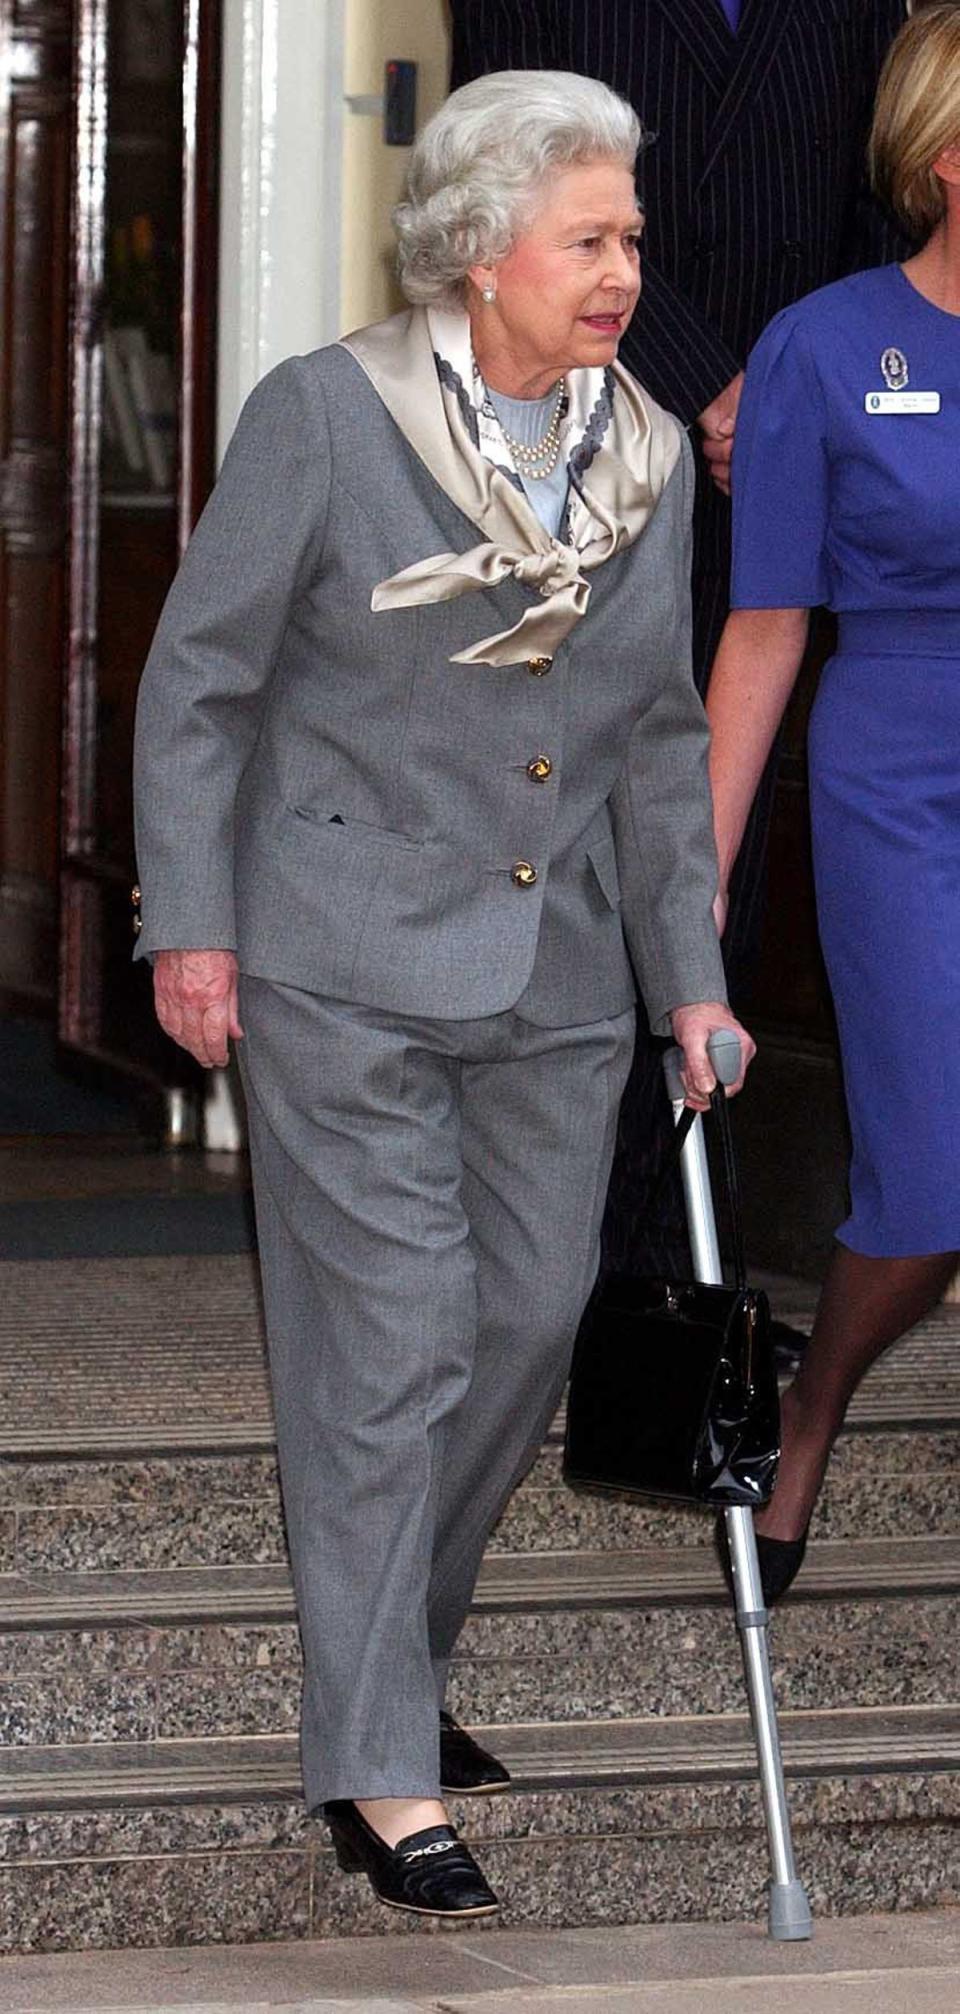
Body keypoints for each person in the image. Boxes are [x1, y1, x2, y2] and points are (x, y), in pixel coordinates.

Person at [132, 71, 752, 1919]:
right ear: (482, 254)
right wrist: (193, 925)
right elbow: (202, 684)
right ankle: (384, 1764)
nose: (626, 269)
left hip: (556, 980)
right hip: (342, 961)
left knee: (524, 1334)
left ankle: (382, 1659)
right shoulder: (327, 417)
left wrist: (693, 984)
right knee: (387, 1346)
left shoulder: (640, 454)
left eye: (633, 236)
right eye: (593, 238)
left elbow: (652, 746)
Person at [450, 0, 907, 1303]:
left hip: (774, 507)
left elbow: (878, 211)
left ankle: (660, 1270)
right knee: (553, 870)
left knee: (708, 876)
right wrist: (710, 384)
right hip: (571, 473)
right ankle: (518, 1250)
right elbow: (506, 177)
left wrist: (818, 400)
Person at [707, 2, 960, 1605]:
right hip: (900, 783)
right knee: (935, 1180)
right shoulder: (821, 344)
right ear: (949, 162)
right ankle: (811, 1407)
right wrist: (695, 888)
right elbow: (766, 625)